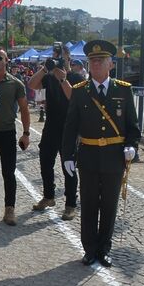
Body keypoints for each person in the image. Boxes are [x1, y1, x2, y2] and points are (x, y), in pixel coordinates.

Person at [62, 40, 140, 268]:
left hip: (114, 157)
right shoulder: (80, 92)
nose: (96, 65)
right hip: (88, 156)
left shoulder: (124, 90)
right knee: (88, 205)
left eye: (101, 61)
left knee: (109, 205)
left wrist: (132, 146)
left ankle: (105, 249)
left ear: (111, 64)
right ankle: (89, 249)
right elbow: (70, 127)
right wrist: (67, 155)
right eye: (92, 61)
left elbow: (133, 126)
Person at [26, 43, 85, 220]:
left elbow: (74, 98)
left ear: (68, 59)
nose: (58, 60)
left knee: (69, 166)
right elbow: (32, 84)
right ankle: (49, 196)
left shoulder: (75, 77)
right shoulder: (49, 77)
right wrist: (45, 69)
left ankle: (70, 204)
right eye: (55, 56)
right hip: (51, 125)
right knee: (45, 161)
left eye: (61, 57)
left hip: (69, 128)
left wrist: (63, 79)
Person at [0, 47, 31, 225]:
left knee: (8, 173)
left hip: (8, 132)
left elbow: (24, 109)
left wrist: (25, 133)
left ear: (6, 60)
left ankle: (9, 209)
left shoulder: (16, 84)